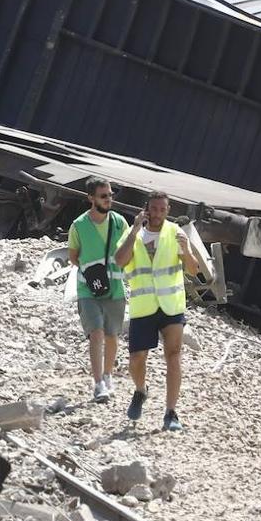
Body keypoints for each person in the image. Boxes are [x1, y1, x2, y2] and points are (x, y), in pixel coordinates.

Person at [113, 190, 199, 431]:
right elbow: (119, 260)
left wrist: (189, 251)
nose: (158, 213)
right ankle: (141, 390)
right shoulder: (135, 234)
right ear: (146, 209)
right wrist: (133, 231)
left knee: (173, 356)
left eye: (163, 209)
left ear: (168, 211)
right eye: (154, 209)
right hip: (144, 306)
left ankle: (171, 412)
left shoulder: (176, 233)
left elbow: (193, 270)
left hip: (171, 305)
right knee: (137, 358)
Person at [68, 178, 127, 405]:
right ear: (91, 198)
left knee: (112, 335)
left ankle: (108, 375)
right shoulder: (79, 225)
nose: (109, 199)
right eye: (104, 196)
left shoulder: (120, 222)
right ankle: (98, 384)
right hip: (88, 289)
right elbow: (74, 257)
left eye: (111, 195)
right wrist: (92, 271)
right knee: (96, 333)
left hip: (115, 289)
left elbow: (129, 250)